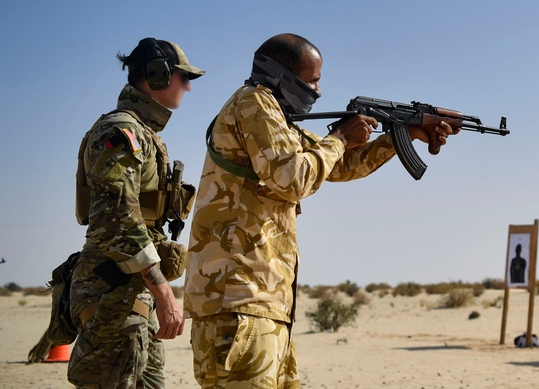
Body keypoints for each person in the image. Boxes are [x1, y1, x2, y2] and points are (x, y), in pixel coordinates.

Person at [184, 33, 457, 388]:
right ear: (283, 75)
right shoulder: (255, 103)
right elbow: (292, 178)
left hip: (262, 304)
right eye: (312, 80)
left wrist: (402, 134)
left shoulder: (277, 119)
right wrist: (341, 136)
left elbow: (340, 166)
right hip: (238, 300)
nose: (318, 90)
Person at [68, 38, 204, 389]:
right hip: (114, 295)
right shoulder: (121, 132)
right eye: (182, 76)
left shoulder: (144, 134)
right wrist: (163, 292)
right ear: (156, 77)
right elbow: (116, 219)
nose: (187, 87)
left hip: (132, 293)